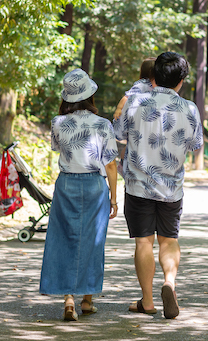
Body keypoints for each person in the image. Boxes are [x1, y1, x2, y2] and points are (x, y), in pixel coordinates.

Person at [113, 51, 203, 319]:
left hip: (138, 184)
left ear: (155, 76)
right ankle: (170, 283)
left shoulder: (135, 101)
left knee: (143, 242)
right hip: (171, 187)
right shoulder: (189, 109)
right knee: (169, 239)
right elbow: (196, 144)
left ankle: (148, 301)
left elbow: (117, 134)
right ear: (181, 80)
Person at [40, 68, 119, 321]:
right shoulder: (103, 125)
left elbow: (58, 149)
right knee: (92, 241)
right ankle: (87, 300)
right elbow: (110, 165)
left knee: (64, 239)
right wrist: (114, 199)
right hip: (95, 186)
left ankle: (68, 300)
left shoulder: (57, 123)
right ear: (89, 95)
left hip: (66, 185)